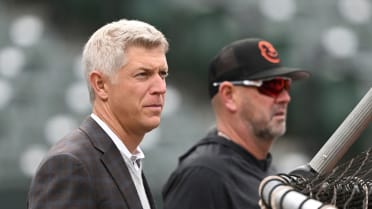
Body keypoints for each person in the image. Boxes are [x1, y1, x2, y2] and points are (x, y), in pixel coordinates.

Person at [27, 19, 169, 209]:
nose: (160, 88)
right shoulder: (70, 165)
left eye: (162, 74)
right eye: (143, 74)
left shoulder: (125, 159)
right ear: (100, 85)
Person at [162, 38, 310, 209]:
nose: (285, 98)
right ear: (229, 95)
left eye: (286, 85)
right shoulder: (203, 175)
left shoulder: (268, 171)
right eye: (272, 86)